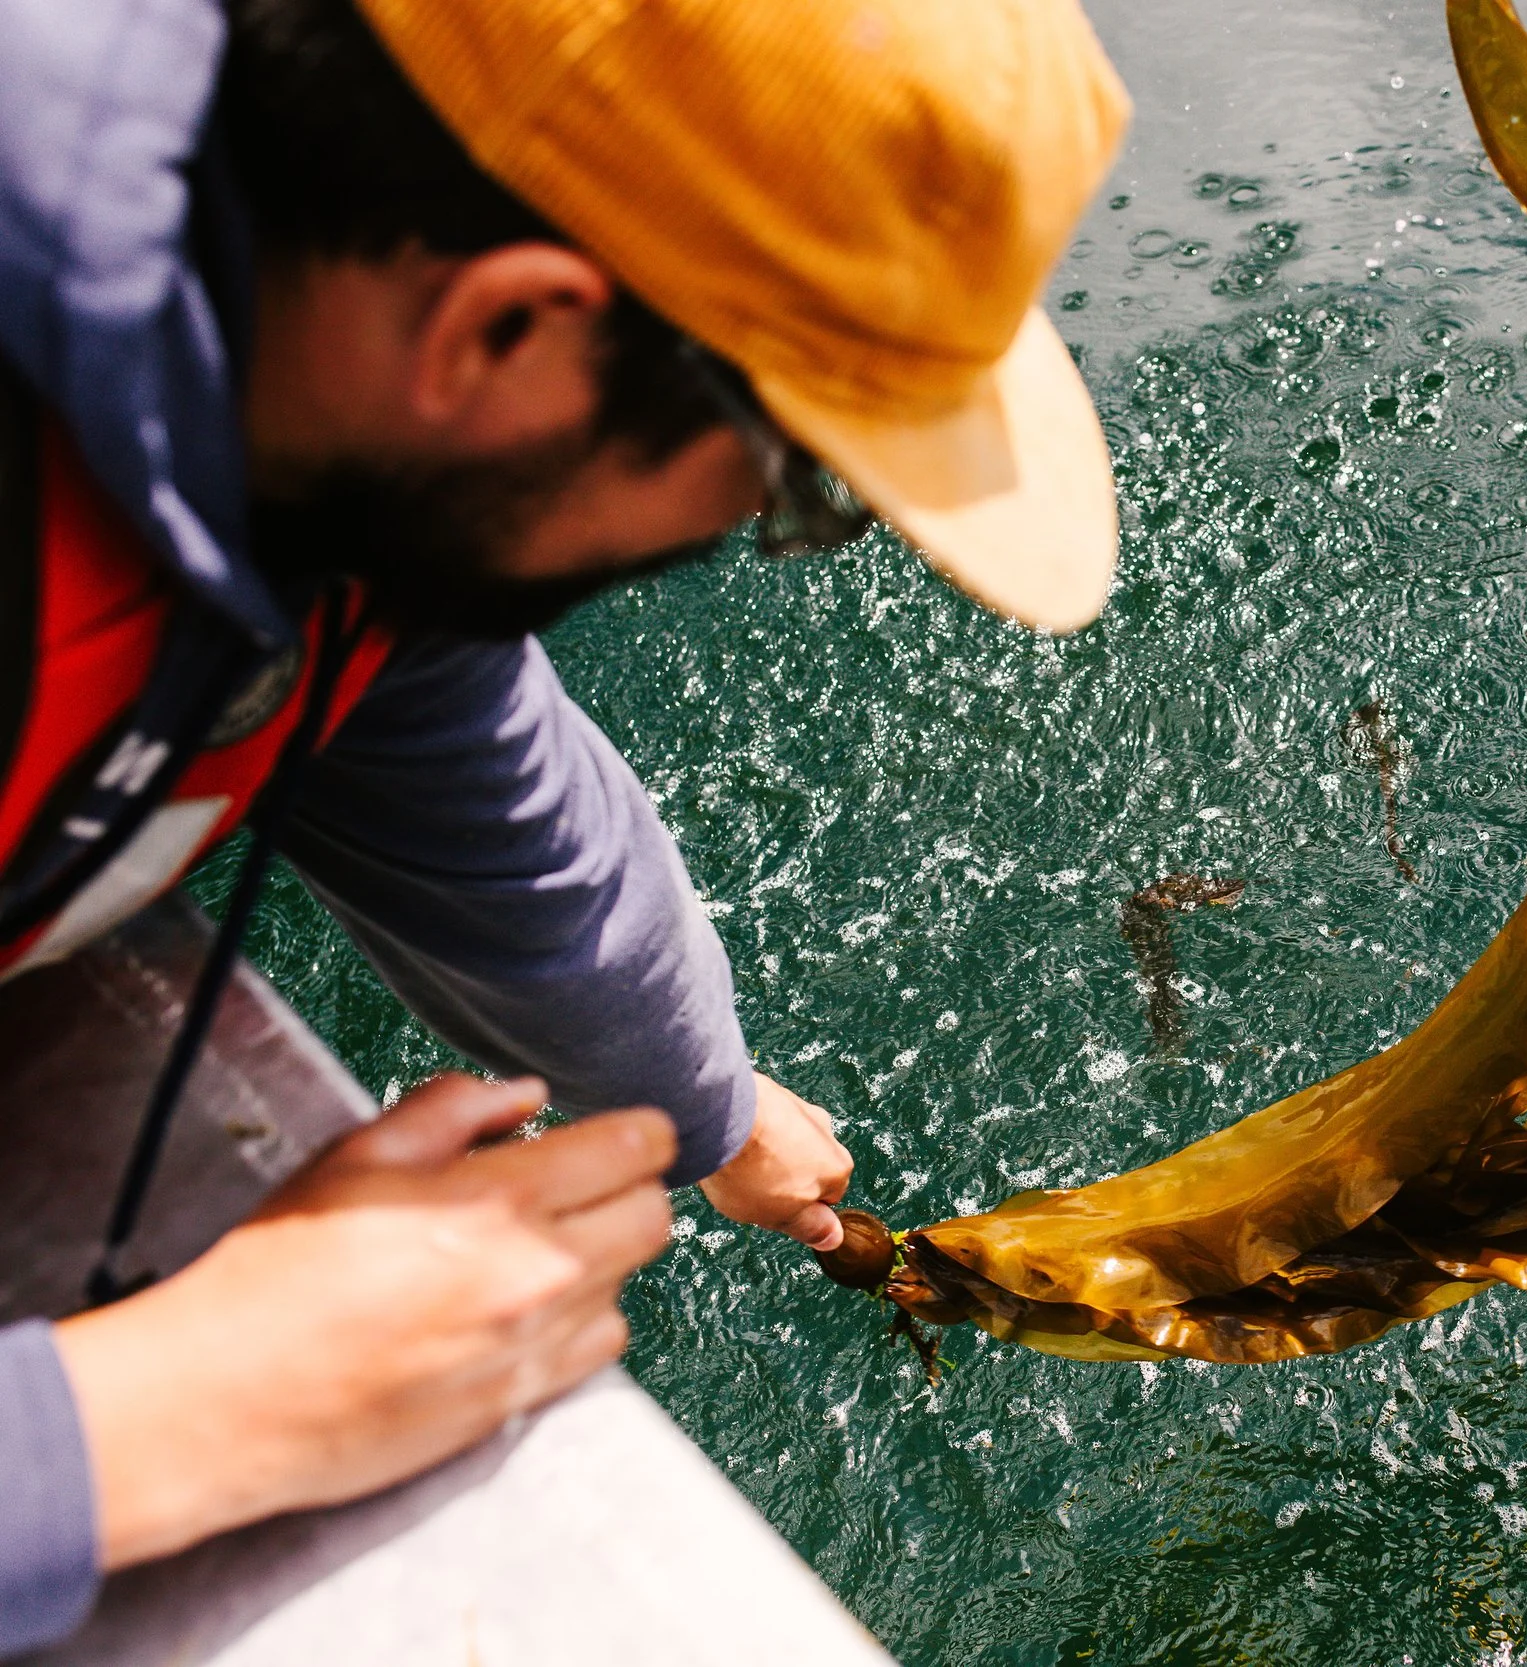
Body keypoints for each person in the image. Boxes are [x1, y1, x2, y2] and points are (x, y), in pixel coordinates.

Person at [0, 0, 1128, 1646]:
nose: (752, 525)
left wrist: (705, 1107)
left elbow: (474, 769)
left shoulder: (313, 383)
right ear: (509, 331)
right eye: (793, 470)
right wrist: (173, 1408)